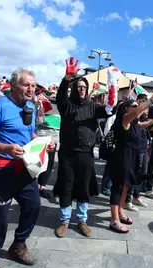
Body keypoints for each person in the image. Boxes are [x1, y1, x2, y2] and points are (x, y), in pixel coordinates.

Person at [0, 68, 55, 268]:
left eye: (33, 85)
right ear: (13, 85)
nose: (31, 89)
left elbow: (28, 135)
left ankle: (19, 244)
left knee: (33, 206)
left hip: (24, 168)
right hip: (0, 168)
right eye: (26, 84)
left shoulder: (31, 106)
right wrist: (5, 148)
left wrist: (43, 142)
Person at [53, 57, 113, 238]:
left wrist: (113, 97)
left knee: (83, 187)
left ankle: (81, 220)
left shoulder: (93, 107)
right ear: (74, 88)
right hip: (67, 154)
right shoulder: (67, 106)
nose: (81, 89)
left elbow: (110, 110)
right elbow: (60, 96)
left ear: (87, 90)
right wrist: (67, 78)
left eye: (84, 87)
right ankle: (64, 220)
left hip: (86, 154)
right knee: (66, 186)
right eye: (78, 86)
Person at [109, 97, 153, 233]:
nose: (137, 108)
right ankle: (114, 220)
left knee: (126, 186)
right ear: (127, 109)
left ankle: (120, 211)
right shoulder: (125, 119)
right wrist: (151, 100)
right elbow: (138, 112)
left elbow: (146, 124)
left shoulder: (136, 123)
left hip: (132, 157)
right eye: (134, 106)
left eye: (137, 106)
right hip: (122, 157)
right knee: (118, 187)